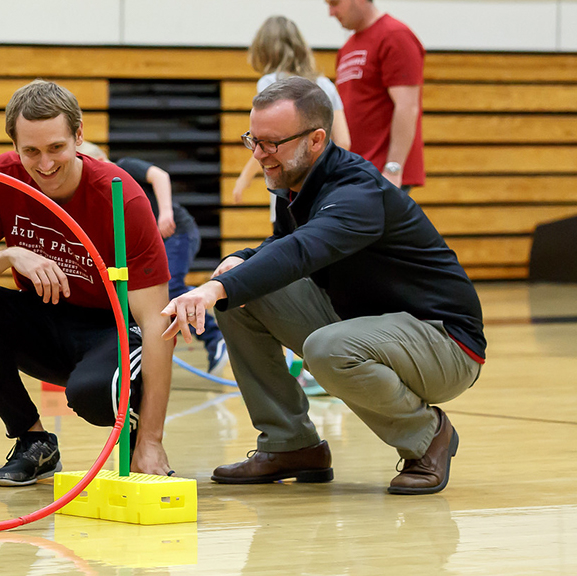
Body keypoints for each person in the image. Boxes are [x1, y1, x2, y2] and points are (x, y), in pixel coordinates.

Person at [163, 77, 483, 495]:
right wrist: (240, 261)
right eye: (253, 141)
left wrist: (210, 291)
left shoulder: (357, 191)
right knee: (239, 294)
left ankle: (428, 435)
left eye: (271, 143)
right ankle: (290, 444)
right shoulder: (298, 184)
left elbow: (302, 251)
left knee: (325, 347)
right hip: (370, 324)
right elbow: (282, 244)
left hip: (445, 344)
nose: (259, 155)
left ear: (316, 139)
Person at [0, 80, 176, 486]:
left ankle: (138, 435)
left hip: (113, 330)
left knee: (91, 396)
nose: (44, 163)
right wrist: (9, 255)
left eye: (56, 148)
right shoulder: (4, 177)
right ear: (14, 145)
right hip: (44, 320)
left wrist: (153, 439)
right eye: (30, 151)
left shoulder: (124, 198)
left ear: (78, 136)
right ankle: (34, 441)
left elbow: (158, 325)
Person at [80, 142, 227, 374]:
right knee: (148, 296)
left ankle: (214, 337)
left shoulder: (124, 167)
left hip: (177, 232)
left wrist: (166, 211)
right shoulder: (102, 194)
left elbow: (160, 176)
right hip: (151, 243)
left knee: (171, 286)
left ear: (101, 158)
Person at [233, 16, 352, 206]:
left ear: (264, 49)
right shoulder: (325, 85)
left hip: (288, 188)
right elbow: (344, 141)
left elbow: (265, 144)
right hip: (325, 189)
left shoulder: (270, 83)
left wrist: (244, 179)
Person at [328, 0, 425, 191]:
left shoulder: (394, 35)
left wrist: (393, 169)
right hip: (355, 170)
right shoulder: (346, 48)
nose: (331, 12)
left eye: (335, 3)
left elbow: (407, 107)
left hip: (381, 173)